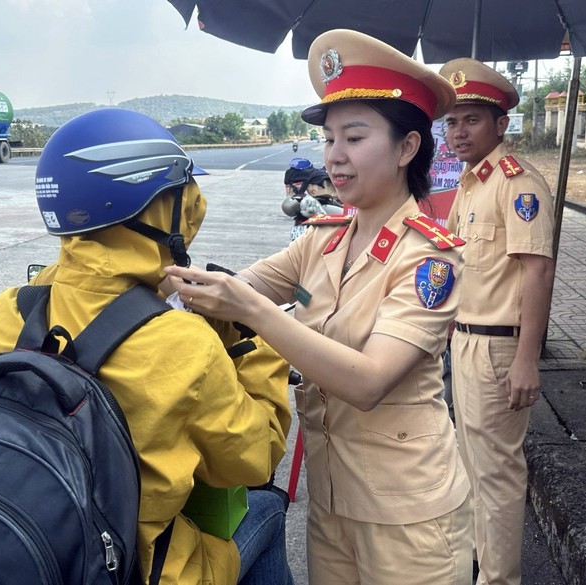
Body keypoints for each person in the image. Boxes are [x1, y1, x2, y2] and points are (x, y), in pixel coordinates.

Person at [166, 30, 472, 584]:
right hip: (331, 502)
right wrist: (153, 278)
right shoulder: (322, 239)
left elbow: (369, 380)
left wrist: (258, 313)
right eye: (329, 139)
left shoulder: (431, 260)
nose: (334, 156)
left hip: (409, 516)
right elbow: (236, 289)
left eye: (354, 138)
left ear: (407, 148)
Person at [0, 108, 295, 585]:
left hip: (36, 548)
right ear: (156, 208)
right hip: (134, 569)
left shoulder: (11, 311)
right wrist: (249, 335)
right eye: (181, 195)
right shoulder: (183, 342)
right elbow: (254, 459)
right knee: (267, 505)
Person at [438, 58, 556, 585]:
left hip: (498, 349)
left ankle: (499, 578)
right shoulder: (470, 184)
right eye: (452, 122)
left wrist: (527, 359)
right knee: (473, 468)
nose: (458, 132)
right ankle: (482, 565)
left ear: (500, 124)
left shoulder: (517, 185)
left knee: (498, 474)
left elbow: (538, 273)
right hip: (464, 341)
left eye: (471, 120)